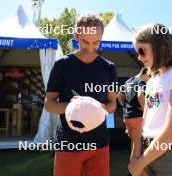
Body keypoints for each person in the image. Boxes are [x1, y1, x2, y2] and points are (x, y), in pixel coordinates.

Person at [45, 13, 117, 176]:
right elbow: (49, 103)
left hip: (99, 144)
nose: (91, 48)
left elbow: (113, 104)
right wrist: (73, 107)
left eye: (96, 42)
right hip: (68, 144)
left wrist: (101, 108)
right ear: (76, 36)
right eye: (85, 42)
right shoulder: (62, 64)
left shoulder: (109, 67)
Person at [128, 23, 172, 176]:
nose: (138, 57)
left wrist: (140, 163)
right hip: (148, 152)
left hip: (171, 157)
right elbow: (145, 120)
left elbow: (171, 132)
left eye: (141, 51)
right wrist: (136, 156)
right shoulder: (153, 80)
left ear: (160, 47)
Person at [117, 67, 150, 162]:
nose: (149, 80)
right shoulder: (141, 82)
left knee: (134, 144)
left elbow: (119, 95)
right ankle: (134, 170)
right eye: (150, 77)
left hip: (127, 117)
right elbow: (140, 96)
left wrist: (126, 106)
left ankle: (135, 168)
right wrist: (146, 112)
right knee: (137, 147)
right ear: (146, 73)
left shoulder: (128, 80)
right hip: (137, 117)